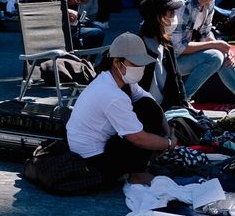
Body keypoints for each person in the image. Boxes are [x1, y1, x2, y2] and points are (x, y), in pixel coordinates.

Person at [65, 33, 176, 183]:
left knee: (148, 106)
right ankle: (138, 174)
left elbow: (150, 102)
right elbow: (138, 138)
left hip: (91, 149)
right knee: (147, 114)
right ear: (117, 62)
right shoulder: (112, 94)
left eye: (142, 64)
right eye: (135, 64)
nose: (140, 68)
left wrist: (166, 134)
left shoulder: (112, 78)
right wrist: (168, 143)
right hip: (93, 161)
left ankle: (140, 165)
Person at [137, 0, 190, 109]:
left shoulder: (167, 44)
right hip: (146, 111)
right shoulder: (139, 46)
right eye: (171, 13)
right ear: (157, 17)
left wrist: (184, 106)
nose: (174, 16)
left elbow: (177, 79)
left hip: (166, 108)